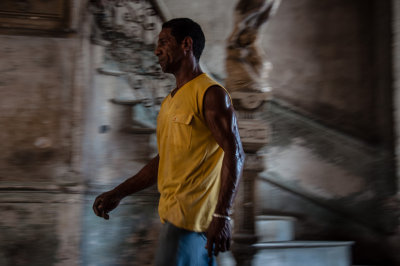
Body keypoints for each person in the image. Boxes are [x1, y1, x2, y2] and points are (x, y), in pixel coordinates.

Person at [93, 18, 245, 266]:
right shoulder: (170, 101)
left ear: (186, 44)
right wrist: (118, 193)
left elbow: (235, 153)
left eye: (163, 42)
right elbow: (164, 160)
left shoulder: (211, 93)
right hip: (172, 216)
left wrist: (223, 215)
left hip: (191, 222)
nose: (157, 50)